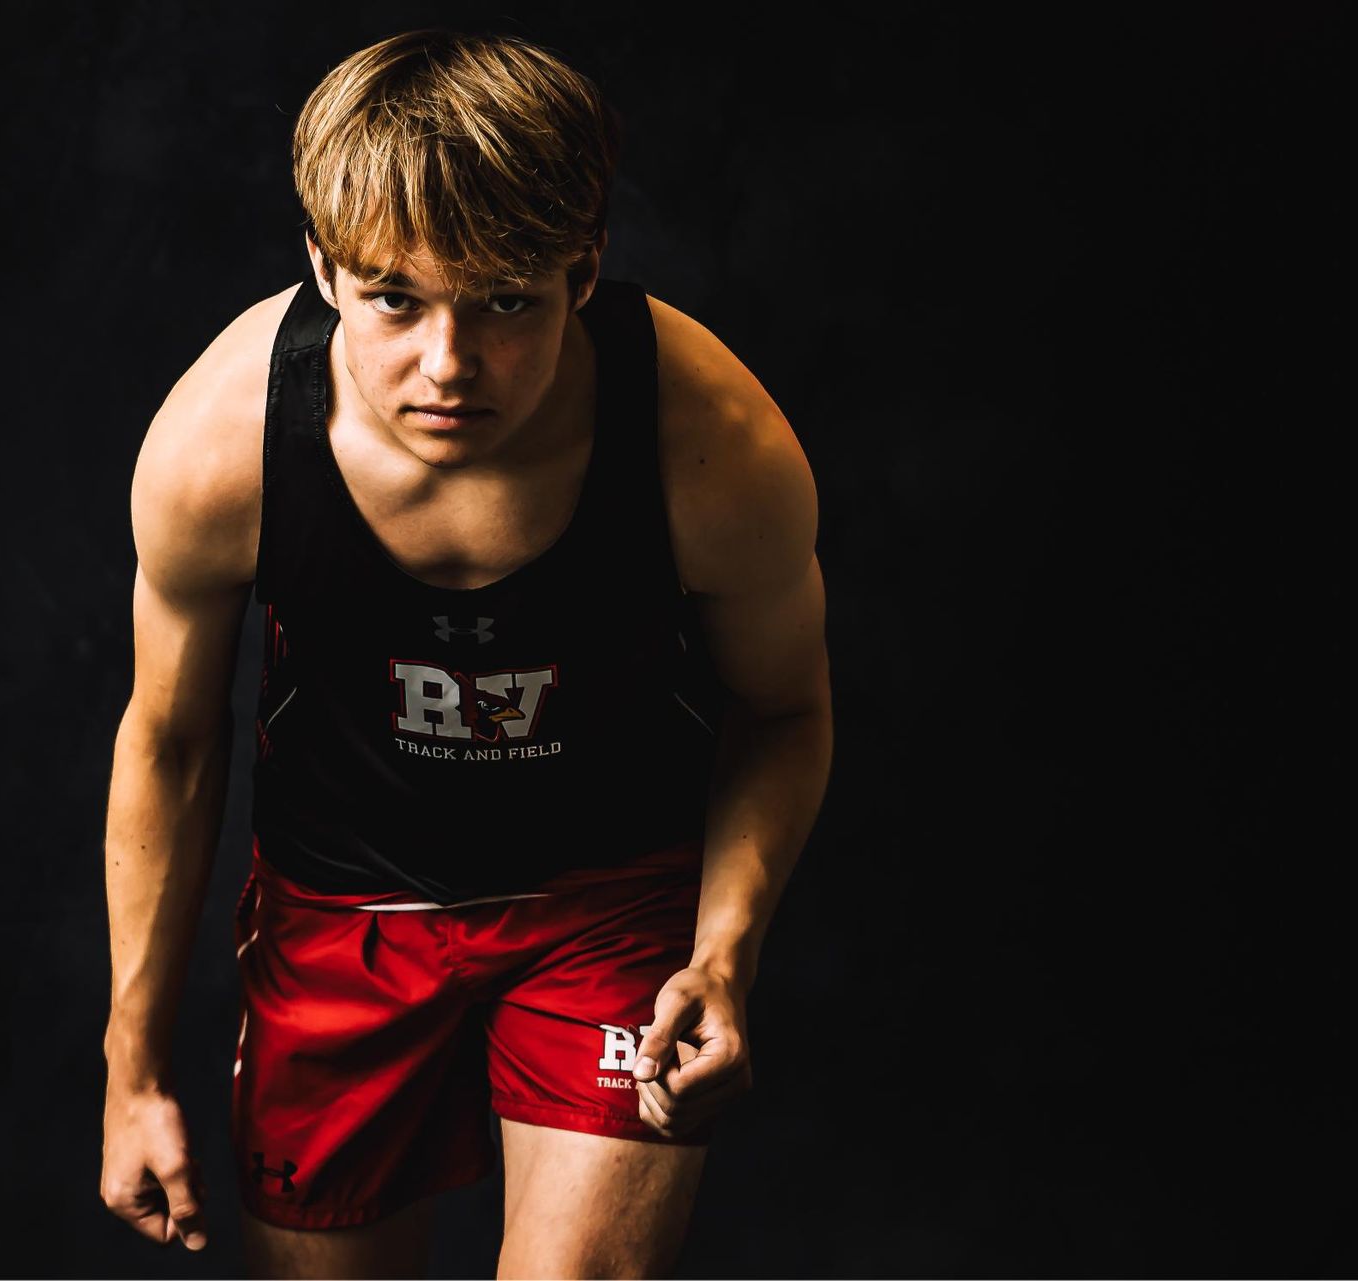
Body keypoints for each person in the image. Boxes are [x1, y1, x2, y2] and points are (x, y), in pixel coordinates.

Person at [101, 28, 831, 1279]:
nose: (448, 366)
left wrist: (724, 951)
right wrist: (133, 1071)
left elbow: (785, 712)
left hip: (600, 913)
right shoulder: (223, 443)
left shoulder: (709, 442)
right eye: (395, 298)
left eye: (505, 300)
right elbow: (170, 741)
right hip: (343, 913)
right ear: (326, 271)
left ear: (584, 269)